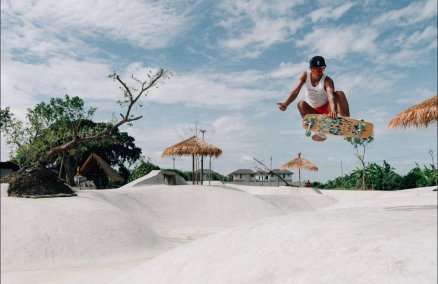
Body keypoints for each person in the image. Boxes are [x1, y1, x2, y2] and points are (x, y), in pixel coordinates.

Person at [278, 55, 350, 141]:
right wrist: (286, 104)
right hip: (312, 112)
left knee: (339, 94)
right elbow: (296, 91)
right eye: (316, 70)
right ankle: (315, 128)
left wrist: (334, 110)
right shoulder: (305, 75)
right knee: (300, 104)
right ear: (310, 69)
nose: (318, 73)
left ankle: (347, 122)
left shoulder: (327, 81)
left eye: (321, 70)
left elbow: (331, 96)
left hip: (327, 110)